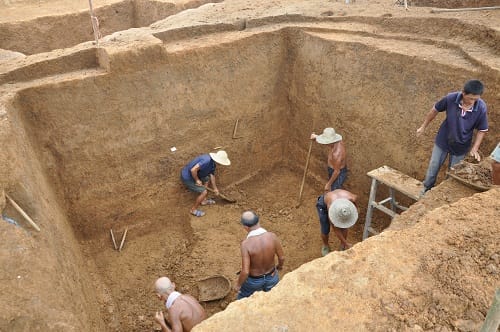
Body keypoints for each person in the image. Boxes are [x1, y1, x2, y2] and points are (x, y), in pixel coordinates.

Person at [417, 79, 489, 193]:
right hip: (443, 140)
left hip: (461, 145)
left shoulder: (481, 107)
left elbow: (482, 130)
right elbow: (434, 110)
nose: (472, 101)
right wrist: (423, 126)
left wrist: (475, 148)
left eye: (476, 99)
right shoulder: (451, 98)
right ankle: (426, 189)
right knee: (433, 166)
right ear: (463, 93)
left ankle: (443, 194)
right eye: (470, 98)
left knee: (453, 172)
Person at [235, 211, 285, 300]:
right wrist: (279, 267)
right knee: (273, 298)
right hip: (272, 276)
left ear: (246, 227)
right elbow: (281, 257)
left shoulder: (246, 244)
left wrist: (238, 285)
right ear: (258, 221)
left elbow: (245, 271)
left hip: (254, 281)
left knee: (243, 298)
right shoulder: (272, 237)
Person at [180, 150, 230, 217]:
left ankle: (204, 201)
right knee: (204, 192)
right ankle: (193, 210)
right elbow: (193, 170)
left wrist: (215, 189)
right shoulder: (206, 161)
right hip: (187, 177)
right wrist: (197, 180)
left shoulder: (213, 164)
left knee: (207, 178)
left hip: (196, 174)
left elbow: (212, 175)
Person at [316, 189, 358, 256]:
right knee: (325, 228)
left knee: (344, 225)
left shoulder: (352, 198)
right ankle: (325, 246)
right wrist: (347, 244)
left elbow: (355, 199)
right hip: (323, 205)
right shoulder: (331, 208)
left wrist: (355, 208)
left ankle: (342, 245)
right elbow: (336, 229)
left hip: (336, 200)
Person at [310, 127, 347, 192]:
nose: (325, 144)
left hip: (337, 173)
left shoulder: (337, 154)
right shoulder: (336, 142)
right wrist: (316, 137)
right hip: (333, 169)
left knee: (334, 191)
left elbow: (337, 172)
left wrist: (328, 184)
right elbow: (327, 140)